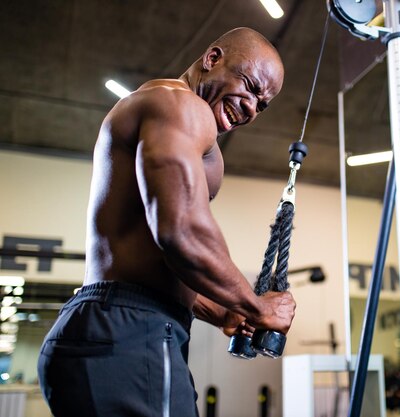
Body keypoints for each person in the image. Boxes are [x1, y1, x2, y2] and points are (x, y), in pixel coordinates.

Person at [37, 27, 296, 417]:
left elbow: (158, 258)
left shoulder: (168, 113)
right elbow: (181, 231)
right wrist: (256, 306)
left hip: (106, 327)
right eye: (250, 86)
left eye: (263, 104)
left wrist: (225, 311)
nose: (252, 108)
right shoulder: (181, 105)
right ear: (212, 59)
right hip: (128, 331)